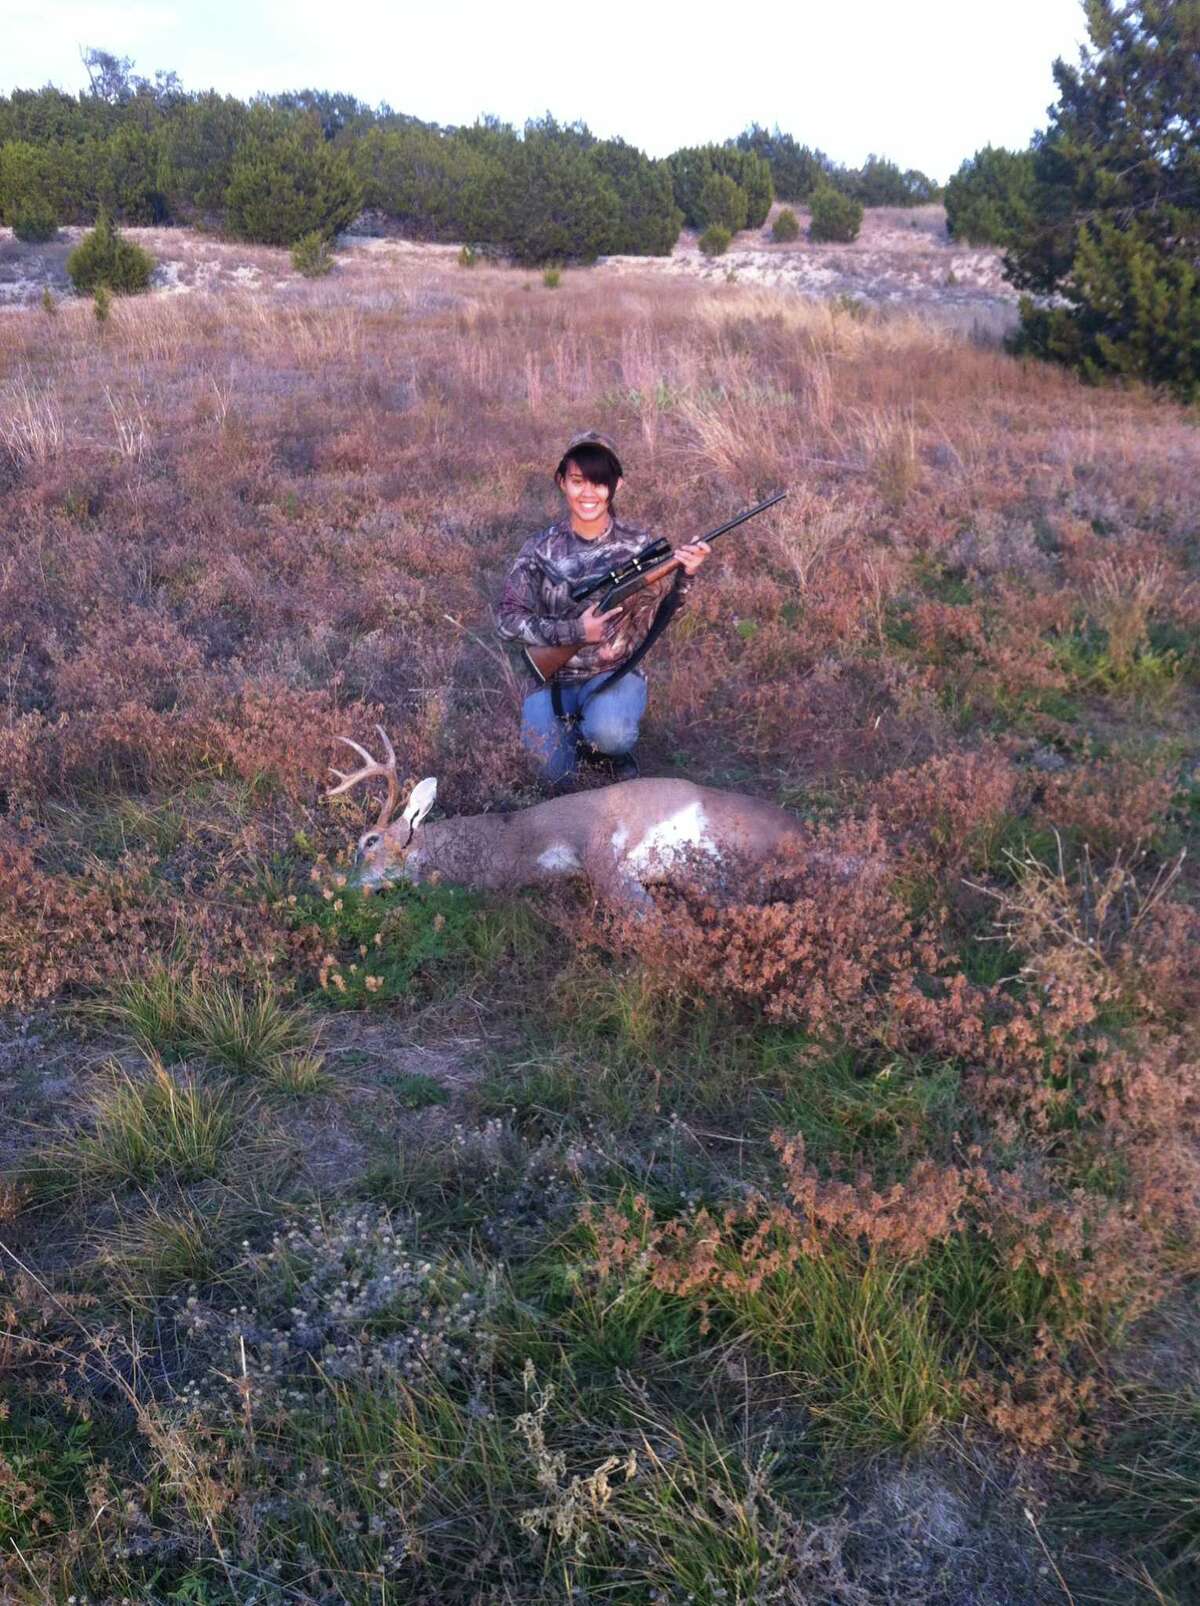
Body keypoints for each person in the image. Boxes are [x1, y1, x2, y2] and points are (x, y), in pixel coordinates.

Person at [496, 431, 711, 786]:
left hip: (613, 676)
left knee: (609, 732)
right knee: (547, 775)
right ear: (561, 481)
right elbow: (507, 621)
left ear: (617, 486)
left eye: (600, 483)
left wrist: (685, 575)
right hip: (552, 684)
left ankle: (607, 751)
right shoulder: (538, 548)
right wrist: (576, 633)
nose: (588, 493)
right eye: (578, 481)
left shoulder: (641, 548)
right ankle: (577, 742)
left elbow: (665, 614)